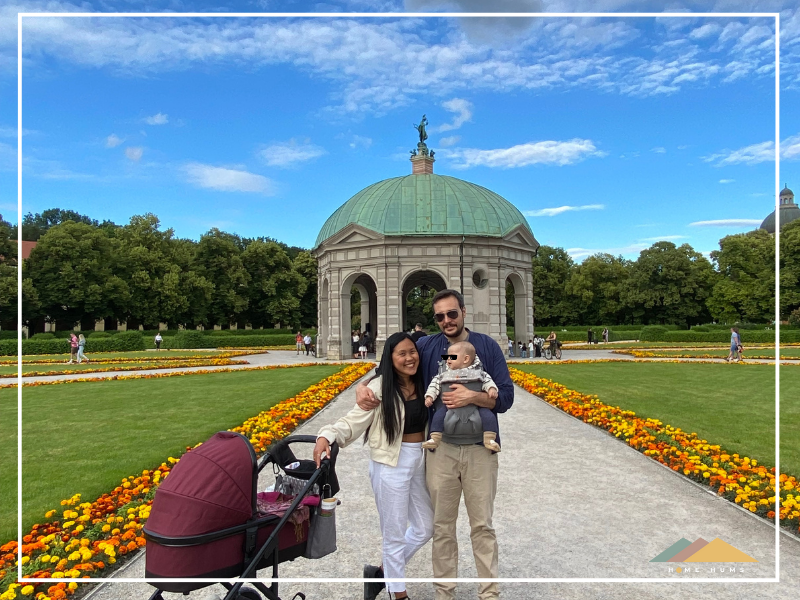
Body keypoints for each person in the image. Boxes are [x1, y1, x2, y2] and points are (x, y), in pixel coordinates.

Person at [357, 289, 513, 600]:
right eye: (439, 316)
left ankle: (490, 594)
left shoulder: (486, 346)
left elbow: (505, 398)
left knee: (482, 525)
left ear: (464, 312)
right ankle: (444, 593)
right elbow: (391, 365)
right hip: (441, 450)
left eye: (451, 314)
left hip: (480, 450)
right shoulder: (429, 347)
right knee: (442, 527)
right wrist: (362, 386)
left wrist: (474, 397)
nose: (446, 321)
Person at [314, 332, 433, 600]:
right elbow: (352, 422)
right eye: (401, 353)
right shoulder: (379, 389)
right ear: (390, 358)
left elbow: (454, 357)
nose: (409, 357)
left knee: (426, 527)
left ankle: (382, 572)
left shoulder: (425, 381)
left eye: (412, 352)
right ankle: (397, 593)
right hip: (390, 464)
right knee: (393, 535)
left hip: (419, 460)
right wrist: (326, 435)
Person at [422, 340, 500, 452]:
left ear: (466, 359)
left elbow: (487, 381)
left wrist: (491, 389)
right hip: (450, 405)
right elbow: (434, 385)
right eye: (447, 357)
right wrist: (429, 396)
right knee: (438, 416)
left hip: (476, 406)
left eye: (452, 357)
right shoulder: (444, 374)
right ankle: (435, 438)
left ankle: (490, 438)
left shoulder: (479, 372)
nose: (448, 360)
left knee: (488, 416)